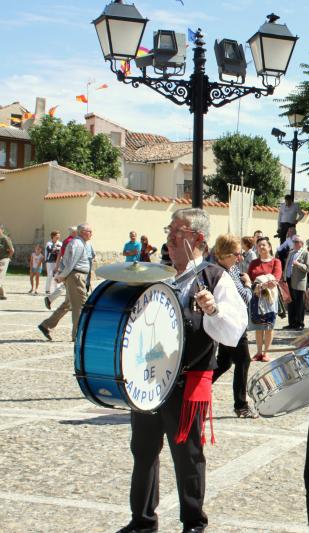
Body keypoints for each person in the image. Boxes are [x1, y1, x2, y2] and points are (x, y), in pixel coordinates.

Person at [115, 208, 248, 533]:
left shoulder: (214, 277)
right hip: (149, 381)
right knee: (143, 451)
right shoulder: (157, 274)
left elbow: (234, 329)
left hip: (187, 380)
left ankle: (194, 523)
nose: (170, 237)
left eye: (179, 232)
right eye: (169, 230)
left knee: (187, 456)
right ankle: (142, 522)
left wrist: (213, 310)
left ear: (198, 239)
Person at [211, 233, 257, 418]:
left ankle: (192, 388)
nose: (240, 258)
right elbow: (244, 298)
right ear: (226, 255)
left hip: (231, 324)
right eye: (237, 254)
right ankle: (241, 405)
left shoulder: (227, 270)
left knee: (223, 362)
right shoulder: (224, 273)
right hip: (233, 326)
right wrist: (249, 285)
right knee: (243, 361)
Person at [38, 224, 94, 342]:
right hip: (76, 277)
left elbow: (67, 261)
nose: (92, 233)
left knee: (68, 304)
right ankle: (77, 335)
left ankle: (46, 325)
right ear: (83, 232)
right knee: (80, 306)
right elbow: (70, 263)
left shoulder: (79, 243)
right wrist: (61, 276)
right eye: (90, 231)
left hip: (75, 276)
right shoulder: (78, 243)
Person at [247, 237, 282, 360]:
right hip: (256, 296)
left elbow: (276, 278)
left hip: (269, 297)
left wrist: (262, 284)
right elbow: (249, 279)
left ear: (269, 247)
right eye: (259, 245)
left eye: (263, 245)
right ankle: (258, 352)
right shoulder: (254, 262)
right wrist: (256, 285)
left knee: (269, 325)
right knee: (258, 325)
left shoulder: (276, 261)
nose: (261, 247)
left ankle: (266, 353)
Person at [44, 226, 77, 309]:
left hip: (64, 265)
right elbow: (52, 251)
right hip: (61, 265)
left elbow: (59, 253)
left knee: (67, 286)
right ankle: (49, 295)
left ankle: (67, 304)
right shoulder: (70, 242)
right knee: (52, 277)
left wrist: (58, 265)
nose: (58, 237)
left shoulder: (64, 242)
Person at [284, 235, 309, 330]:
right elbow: (287, 266)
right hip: (289, 280)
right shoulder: (291, 253)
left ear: (301, 244)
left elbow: (308, 268)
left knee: (300, 304)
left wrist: (298, 264)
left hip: (299, 282)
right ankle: (291, 323)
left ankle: (300, 323)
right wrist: (284, 277)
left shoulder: (305, 253)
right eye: (294, 241)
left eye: (297, 241)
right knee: (291, 303)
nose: (294, 243)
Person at [0, 224, 14, 301]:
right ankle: (2, 294)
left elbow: (12, 250)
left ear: (2, 230)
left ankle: (2, 294)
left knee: (0, 276)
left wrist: (8, 258)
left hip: (3, 260)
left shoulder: (5, 239)